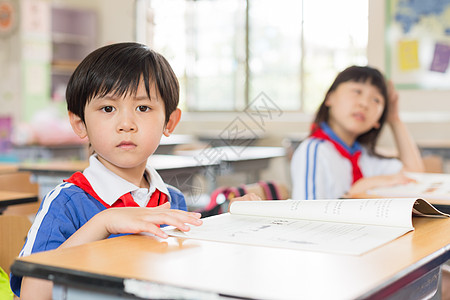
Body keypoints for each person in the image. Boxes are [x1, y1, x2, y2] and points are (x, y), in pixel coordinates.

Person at [10, 42, 257, 299]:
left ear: (169, 122)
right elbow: (32, 293)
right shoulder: (65, 202)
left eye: (143, 108)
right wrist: (103, 223)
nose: (126, 124)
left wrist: (229, 218)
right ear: (80, 123)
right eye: (108, 108)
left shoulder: (172, 200)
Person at [291, 65, 424, 200]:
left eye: (376, 100)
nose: (364, 103)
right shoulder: (315, 150)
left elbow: (415, 177)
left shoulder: (363, 155)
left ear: (378, 121)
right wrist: (361, 187)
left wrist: (395, 120)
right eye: (357, 91)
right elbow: (306, 213)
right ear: (329, 97)